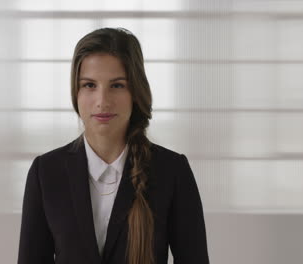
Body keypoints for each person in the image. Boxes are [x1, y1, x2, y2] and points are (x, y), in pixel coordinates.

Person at [17, 27, 209, 264]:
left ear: (135, 91)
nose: (102, 101)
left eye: (117, 85)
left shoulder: (172, 171)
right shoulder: (45, 172)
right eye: (89, 85)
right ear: (75, 92)